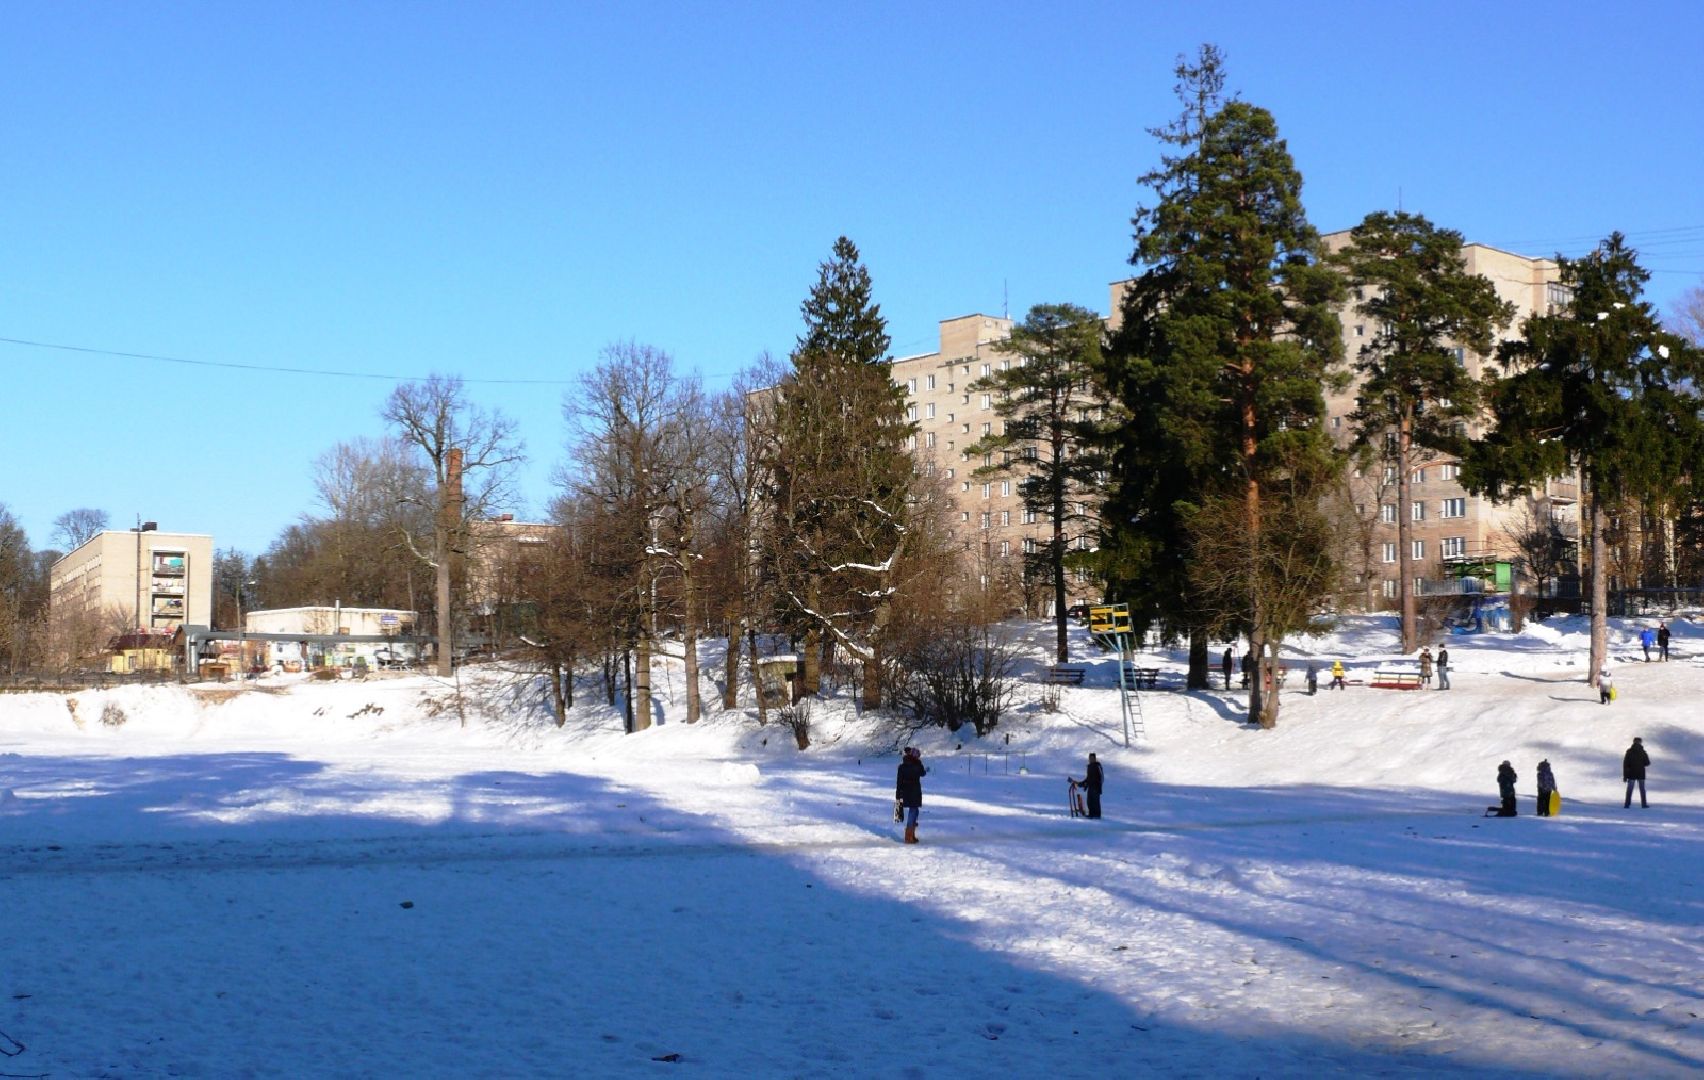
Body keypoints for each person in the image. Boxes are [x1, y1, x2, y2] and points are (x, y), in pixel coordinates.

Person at [895, 746, 928, 843]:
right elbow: (922, 773)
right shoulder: (918, 765)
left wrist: (898, 793)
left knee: (914, 811)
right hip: (914, 791)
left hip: (904, 791)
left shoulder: (902, 767)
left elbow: (898, 781)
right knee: (913, 810)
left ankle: (910, 835)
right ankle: (909, 836)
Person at [1071, 753, 1105, 819]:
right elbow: (1088, 778)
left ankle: (1097, 815)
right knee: (1089, 802)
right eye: (1090, 758)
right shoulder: (1089, 767)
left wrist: (1098, 785)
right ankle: (1091, 814)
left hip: (1096, 788)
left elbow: (1102, 778)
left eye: (1092, 758)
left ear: (1095, 759)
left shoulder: (1097, 766)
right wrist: (1082, 784)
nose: (1091, 760)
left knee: (1095, 802)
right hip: (1090, 787)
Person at [1623, 737, 1650, 809]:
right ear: (1640, 742)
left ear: (1633, 742)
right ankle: (1643, 804)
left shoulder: (1629, 752)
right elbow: (1647, 763)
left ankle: (1627, 804)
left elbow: (1625, 764)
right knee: (1642, 789)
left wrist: (1625, 776)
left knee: (1629, 789)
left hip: (1631, 773)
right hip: (1641, 773)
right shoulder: (1643, 752)